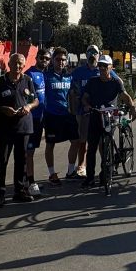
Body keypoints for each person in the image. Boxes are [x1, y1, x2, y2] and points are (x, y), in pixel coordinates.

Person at [80, 54, 136, 187]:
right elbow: (85, 97)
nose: (102, 68)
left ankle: (105, 173)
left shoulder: (116, 82)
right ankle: (89, 177)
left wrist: (132, 108)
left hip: (109, 117)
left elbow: (125, 96)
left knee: (107, 144)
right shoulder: (93, 81)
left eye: (105, 66)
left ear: (111, 68)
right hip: (95, 115)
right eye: (100, 65)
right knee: (92, 147)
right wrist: (86, 105)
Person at [0, 53, 39, 205]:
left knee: (21, 161)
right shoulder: (0, 81)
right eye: (15, 63)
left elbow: (35, 100)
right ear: (9, 63)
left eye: (20, 64)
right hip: (5, 127)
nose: (18, 66)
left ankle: (20, 191)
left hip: (24, 127)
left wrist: (29, 106)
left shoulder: (28, 80)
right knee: (2, 161)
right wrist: (3, 109)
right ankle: (0, 193)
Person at [43, 48, 80, 182]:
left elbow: (74, 93)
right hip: (52, 115)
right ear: (53, 60)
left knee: (76, 141)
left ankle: (70, 171)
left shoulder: (69, 76)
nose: (61, 62)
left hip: (67, 114)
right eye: (58, 59)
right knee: (50, 144)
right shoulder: (46, 76)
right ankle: (52, 173)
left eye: (63, 60)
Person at [69, 45, 102, 177]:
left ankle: (104, 166)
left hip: (100, 112)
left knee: (101, 141)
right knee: (83, 140)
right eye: (89, 52)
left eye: (95, 53)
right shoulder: (78, 72)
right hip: (83, 112)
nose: (92, 55)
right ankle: (81, 166)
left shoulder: (103, 69)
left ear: (99, 55)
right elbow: (71, 90)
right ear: (86, 55)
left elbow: (118, 82)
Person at [24, 49, 50, 193]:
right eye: (42, 57)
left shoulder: (45, 74)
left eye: (47, 58)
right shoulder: (29, 74)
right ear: (36, 57)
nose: (44, 60)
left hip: (41, 118)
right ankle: (29, 181)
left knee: (31, 151)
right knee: (28, 151)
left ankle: (27, 180)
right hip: (30, 118)